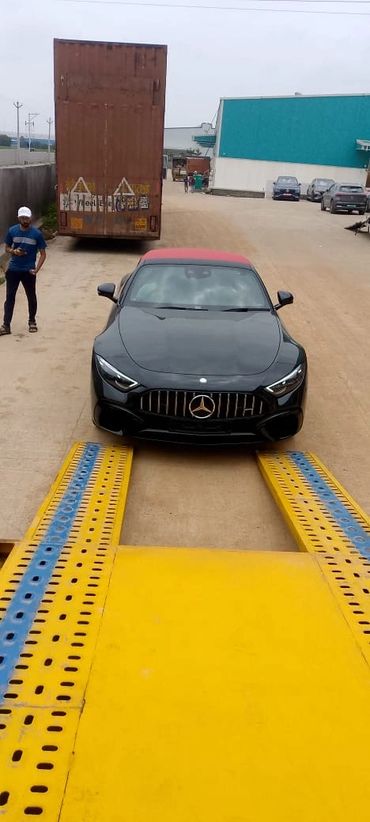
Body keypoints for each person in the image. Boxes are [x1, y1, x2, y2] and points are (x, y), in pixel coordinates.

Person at [0, 206, 47, 336]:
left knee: (31, 297)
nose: (25, 220)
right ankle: (6, 325)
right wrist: (13, 251)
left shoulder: (36, 234)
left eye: (26, 217)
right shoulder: (12, 231)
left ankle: (32, 321)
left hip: (28, 271)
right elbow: (7, 248)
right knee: (10, 298)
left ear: (30, 218)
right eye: (22, 218)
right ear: (18, 218)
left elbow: (43, 254)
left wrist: (36, 269)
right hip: (13, 269)